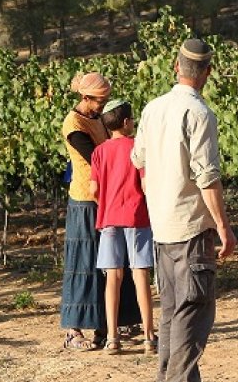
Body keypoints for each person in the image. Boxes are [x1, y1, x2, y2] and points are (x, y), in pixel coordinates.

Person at [131, 38, 237, 382]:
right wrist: (223, 226)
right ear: (208, 72)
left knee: (172, 315)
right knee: (191, 317)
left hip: (162, 228)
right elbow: (207, 178)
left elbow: (139, 160)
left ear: (176, 67)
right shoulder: (200, 114)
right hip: (192, 229)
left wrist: (154, 193)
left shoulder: (152, 109)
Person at [59, 72, 142, 350]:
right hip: (85, 200)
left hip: (106, 199)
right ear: (85, 98)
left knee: (110, 262)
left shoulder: (97, 118)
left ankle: (107, 326)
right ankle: (73, 330)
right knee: (83, 263)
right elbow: (97, 157)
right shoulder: (73, 124)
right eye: (100, 101)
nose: (103, 106)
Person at [89, 99, 157, 355]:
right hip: (137, 217)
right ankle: (149, 337)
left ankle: (112, 337)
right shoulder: (138, 148)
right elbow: (146, 185)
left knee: (113, 278)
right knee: (141, 275)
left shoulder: (99, 152)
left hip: (109, 219)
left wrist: (107, 204)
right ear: (127, 122)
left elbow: (94, 189)